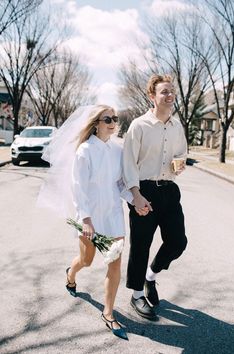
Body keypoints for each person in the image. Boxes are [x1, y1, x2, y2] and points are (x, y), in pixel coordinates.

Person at [38, 105, 132, 340]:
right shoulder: (85, 150)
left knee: (115, 264)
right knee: (86, 261)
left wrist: (134, 201)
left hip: (113, 215)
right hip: (90, 216)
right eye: (106, 118)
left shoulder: (117, 150)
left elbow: (120, 183)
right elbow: (77, 188)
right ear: (96, 123)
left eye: (114, 118)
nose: (112, 122)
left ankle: (108, 313)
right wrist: (86, 220)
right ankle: (71, 273)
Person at [123, 74, 188, 321]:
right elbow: (128, 162)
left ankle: (151, 275)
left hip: (170, 191)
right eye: (164, 91)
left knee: (178, 242)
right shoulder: (139, 126)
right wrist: (135, 195)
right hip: (144, 191)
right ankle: (137, 294)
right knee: (141, 245)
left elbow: (182, 153)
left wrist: (179, 164)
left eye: (172, 91)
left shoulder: (177, 125)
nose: (170, 95)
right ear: (152, 96)